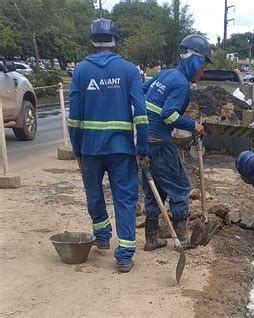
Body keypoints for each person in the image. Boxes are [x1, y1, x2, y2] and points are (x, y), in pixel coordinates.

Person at [68, 18, 149, 273]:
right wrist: (143, 148)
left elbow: (74, 118)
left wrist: (77, 150)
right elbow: (142, 114)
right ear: (116, 41)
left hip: (90, 149)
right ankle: (124, 255)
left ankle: (102, 236)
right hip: (121, 150)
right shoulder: (128, 70)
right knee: (125, 200)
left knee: (94, 193)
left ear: (92, 41)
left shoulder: (81, 70)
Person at [141, 34, 211, 250]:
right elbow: (169, 115)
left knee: (156, 190)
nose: (203, 72)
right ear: (195, 61)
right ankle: (182, 237)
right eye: (203, 67)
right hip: (160, 141)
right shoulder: (181, 84)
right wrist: (194, 125)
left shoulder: (166, 75)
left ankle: (152, 239)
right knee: (181, 187)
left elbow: (142, 92)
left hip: (145, 140)